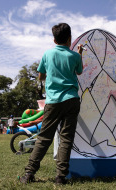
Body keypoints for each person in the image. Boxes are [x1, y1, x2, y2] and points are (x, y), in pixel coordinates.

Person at [19, 23, 84, 185]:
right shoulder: (74, 56)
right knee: (66, 139)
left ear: (54, 40)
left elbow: (41, 76)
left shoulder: (47, 54)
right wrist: (80, 53)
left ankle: (28, 174)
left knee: (43, 138)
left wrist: (49, 76)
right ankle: (61, 178)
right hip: (71, 100)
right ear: (70, 39)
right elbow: (79, 71)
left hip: (53, 102)